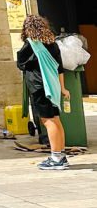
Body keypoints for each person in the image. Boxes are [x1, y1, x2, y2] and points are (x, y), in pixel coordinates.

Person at [16, 14, 70, 170]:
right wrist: (63, 88)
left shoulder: (31, 45)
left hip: (39, 87)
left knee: (48, 121)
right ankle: (61, 155)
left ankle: (56, 158)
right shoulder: (53, 43)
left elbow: (21, 63)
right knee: (56, 121)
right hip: (52, 86)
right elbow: (60, 68)